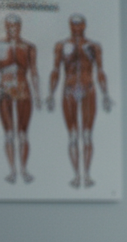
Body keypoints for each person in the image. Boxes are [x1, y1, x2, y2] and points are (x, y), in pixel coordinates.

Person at [47, 13, 112, 188]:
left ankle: (88, 175)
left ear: (84, 26)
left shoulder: (93, 46)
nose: (76, 28)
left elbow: (100, 71)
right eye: (73, 25)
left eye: (79, 25)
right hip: (68, 90)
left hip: (88, 89)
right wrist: (51, 94)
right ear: (69, 25)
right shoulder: (61, 46)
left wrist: (105, 94)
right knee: (73, 135)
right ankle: (77, 175)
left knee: (87, 134)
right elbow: (55, 71)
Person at [0, 13, 39, 184]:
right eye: (8, 26)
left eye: (15, 26)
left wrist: (38, 94)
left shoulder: (29, 47)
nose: (11, 29)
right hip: (4, 90)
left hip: (24, 89)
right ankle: (12, 171)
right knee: (8, 133)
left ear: (20, 27)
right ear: (5, 27)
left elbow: (34, 72)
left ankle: (24, 169)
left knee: (23, 133)